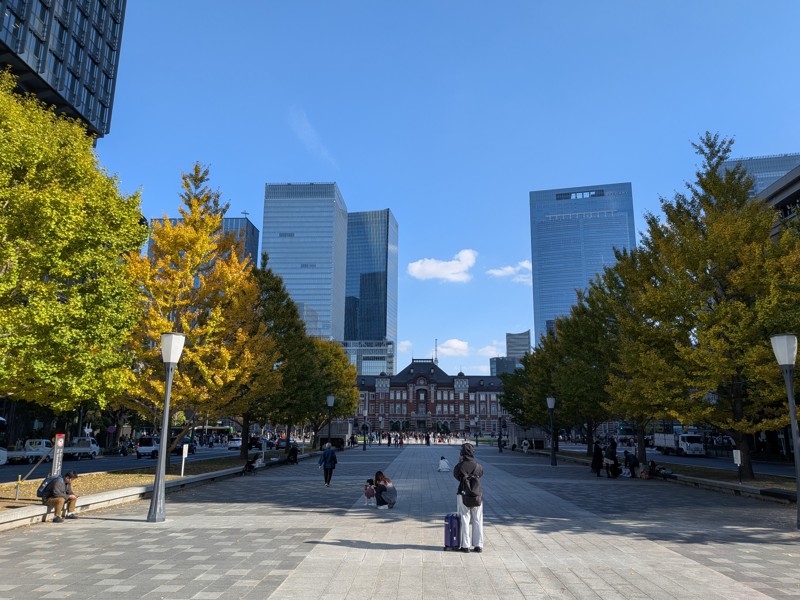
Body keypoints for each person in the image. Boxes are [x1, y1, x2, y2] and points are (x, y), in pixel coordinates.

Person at [453, 442, 484, 553]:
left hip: (463, 493)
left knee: (464, 519)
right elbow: (481, 474)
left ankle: (465, 545)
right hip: (476, 494)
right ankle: (478, 545)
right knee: (477, 519)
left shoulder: (459, 466)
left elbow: (456, 475)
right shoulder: (478, 466)